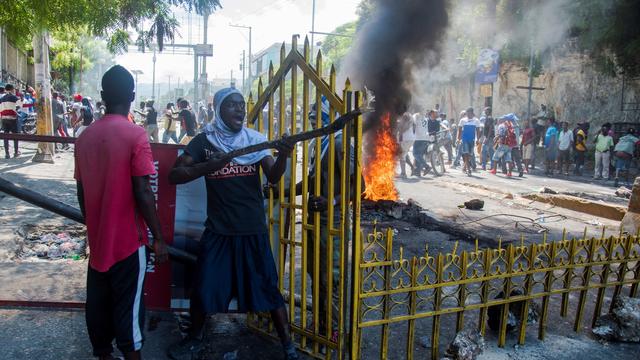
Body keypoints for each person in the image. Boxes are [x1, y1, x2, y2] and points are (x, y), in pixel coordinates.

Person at [167, 88, 298, 360]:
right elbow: (175, 175)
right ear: (218, 109)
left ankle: (288, 346)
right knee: (204, 288)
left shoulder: (255, 140)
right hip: (219, 230)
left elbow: (273, 176)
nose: (240, 110)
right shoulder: (205, 142)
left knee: (268, 288)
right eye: (232, 105)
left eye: (242, 105)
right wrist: (209, 166)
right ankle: (194, 339)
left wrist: (284, 154)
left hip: (252, 229)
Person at [75, 65, 168, 360]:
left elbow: (81, 191)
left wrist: (93, 225)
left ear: (102, 96)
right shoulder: (135, 135)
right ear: (132, 95)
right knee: (129, 319)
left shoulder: (84, 137)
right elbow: (142, 191)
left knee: (99, 312)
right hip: (129, 244)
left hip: (99, 244)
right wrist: (160, 237)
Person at [294, 96, 361, 342]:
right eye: (310, 114)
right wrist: (285, 191)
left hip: (333, 220)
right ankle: (320, 324)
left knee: (331, 277)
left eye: (316, 114)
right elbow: (312, 181)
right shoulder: (318, 143)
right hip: (314, 220)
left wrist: (331, 201)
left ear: (327, 115)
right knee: (314, 273)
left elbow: (360, 186)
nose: (311, 118)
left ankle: (334, 329)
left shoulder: (341, 143)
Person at [457, 107, 481, 176]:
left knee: (470, 154)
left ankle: (465, 166)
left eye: (469, 112)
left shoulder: (476, 120)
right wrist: (458, 139)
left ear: (472, 113)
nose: (467, 114)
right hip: (465, 139)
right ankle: (468, 169)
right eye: (467, 113)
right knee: (466, 153)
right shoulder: (463, 120)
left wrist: (478, 139)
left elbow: (478, 131)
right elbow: (460, 130)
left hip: (472, 140)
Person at [0, 84, 21, 158]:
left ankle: (7, 154)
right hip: (12, 119)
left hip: (4, 119)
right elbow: (20, 105)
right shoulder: (14, 97)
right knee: (15, 136)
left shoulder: (1, 99)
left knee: (6, 136)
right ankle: (16, 152)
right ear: (12, 89)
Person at [412, 109, 430, 176]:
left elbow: (413, 125)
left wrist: (412, 136)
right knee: (419, 155)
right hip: (425, 138)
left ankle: (427, 167)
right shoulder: (425, 118)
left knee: (415, 154)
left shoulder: (416, 116)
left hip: (419, 138)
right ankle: (417, 172)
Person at [397, 112, 415, 178]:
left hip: (406, 139)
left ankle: (403, 174)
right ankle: (413, 168)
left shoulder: (406, 117)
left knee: (401, 156)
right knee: (404, 154)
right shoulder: (410, 116)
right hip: (410, 139)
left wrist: (400, 132)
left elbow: (403, 129)